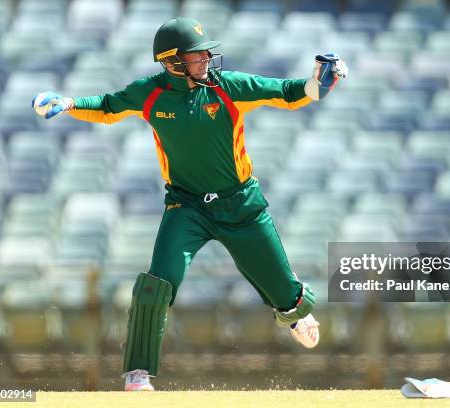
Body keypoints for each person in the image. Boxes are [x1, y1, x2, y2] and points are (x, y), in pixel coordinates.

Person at [32, 17, 348, 391]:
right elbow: (106, 106)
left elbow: (288, 92)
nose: (207, 62)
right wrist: (68, 103)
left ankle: (292, 312)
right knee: (157, 282)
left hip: (241, 204)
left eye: (206, 55)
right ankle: (137, 372)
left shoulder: (228, 86)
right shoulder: (149, 93)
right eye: (198, 57)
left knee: (290, 298)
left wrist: (320, 82)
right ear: (172, 61)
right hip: (187, 207)